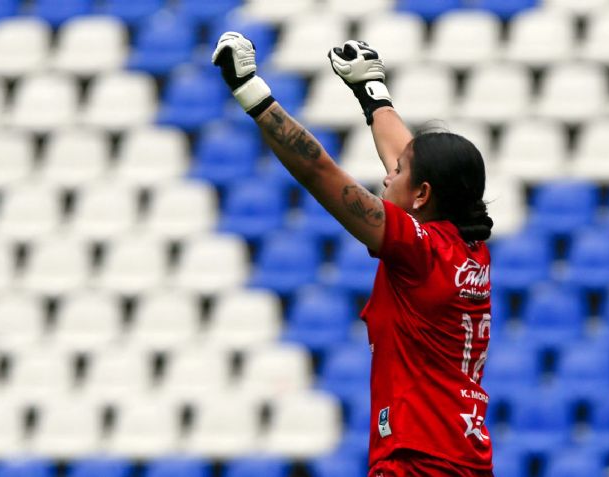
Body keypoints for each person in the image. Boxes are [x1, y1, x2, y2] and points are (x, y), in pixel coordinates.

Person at [212, 34, 495, 476]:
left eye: (396, 172)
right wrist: (372, 93)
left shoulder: (418, 250)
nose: (386, 178)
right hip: (462, 458)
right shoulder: (470, 248)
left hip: (417, 462)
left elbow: (318, 170)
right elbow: (413, 162)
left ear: (423, 195)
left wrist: (251, 91)